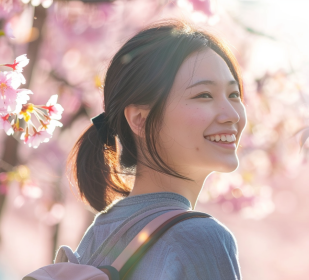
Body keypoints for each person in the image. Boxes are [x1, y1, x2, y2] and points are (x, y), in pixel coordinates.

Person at [68, 18, 246, 279]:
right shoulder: (200, 237)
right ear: (140, 119)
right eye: (204, 95)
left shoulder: (99, 233)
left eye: (233, 95)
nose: (231, 114)